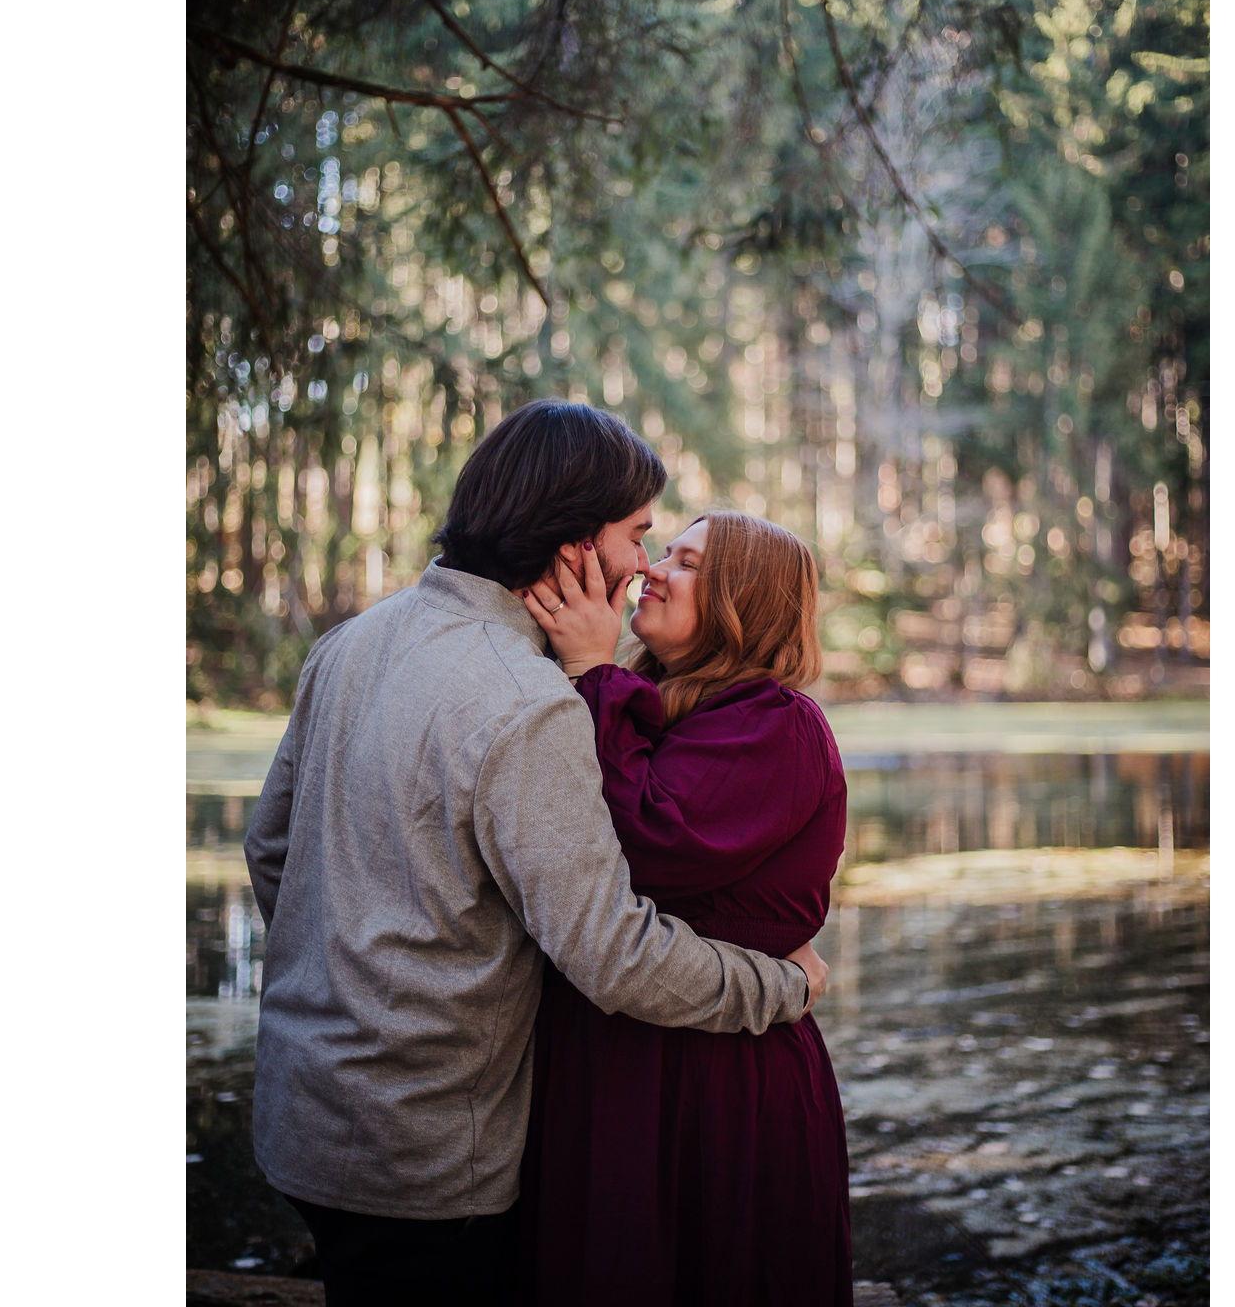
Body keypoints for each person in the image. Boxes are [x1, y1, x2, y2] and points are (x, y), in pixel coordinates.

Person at [243, 403, 829, 1307]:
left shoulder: (349, 644)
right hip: (431, 1147)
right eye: (639, 536)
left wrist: (349, 984)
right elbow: (612, 953)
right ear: (576, 546)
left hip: (303, 1118)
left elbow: (270, 851)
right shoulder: (528, 698)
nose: (642, 564)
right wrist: (779, 986)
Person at [517, 510, 853, 1307]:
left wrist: (593, 670)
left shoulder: (777, 724)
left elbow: (650, 844)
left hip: (719, 1081)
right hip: (611, 1065)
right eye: (662, 552)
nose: (652, 570)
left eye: (689, 563)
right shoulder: (662, 706)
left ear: (746, 598)